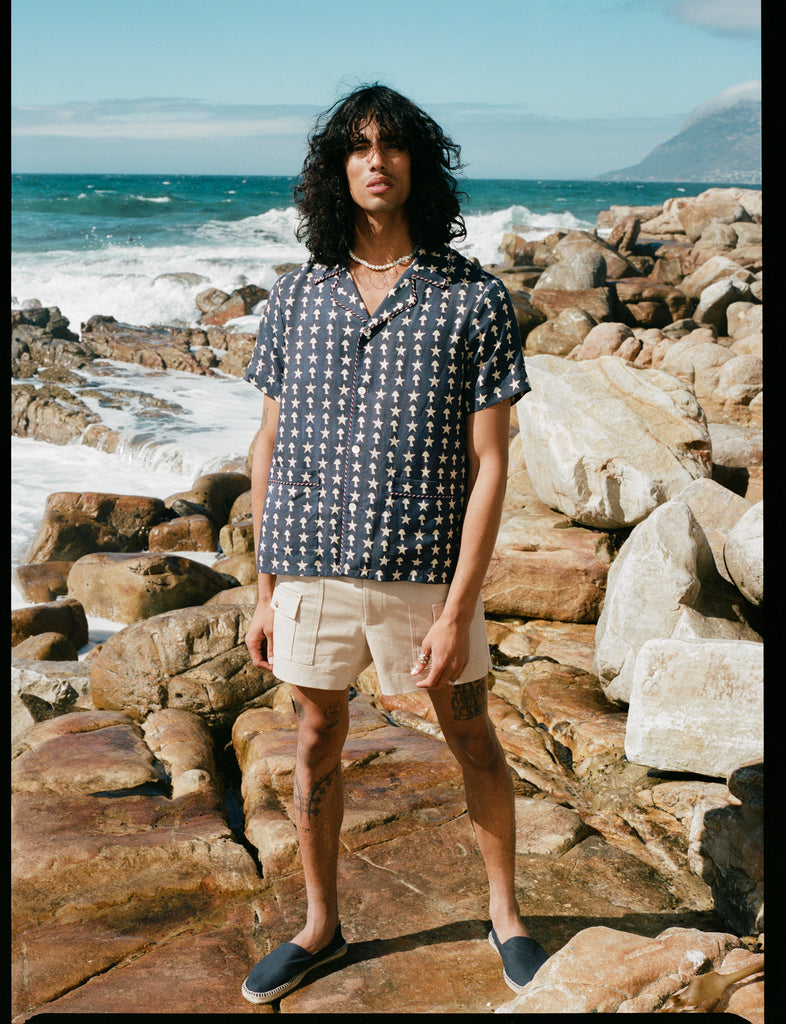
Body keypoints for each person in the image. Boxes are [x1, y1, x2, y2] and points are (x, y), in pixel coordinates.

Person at [240, 83, 548, 1004]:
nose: (378, 160)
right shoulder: (297, 296)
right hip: (310, 567)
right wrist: (263, 586)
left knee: (471, 733)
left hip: (423, 573)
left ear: (418, 164)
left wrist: (458, 611)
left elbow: (491, 466)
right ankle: (319, 926)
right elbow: (268, 441)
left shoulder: (472, 298)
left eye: (395, 145)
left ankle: (506, 915)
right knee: (316, 737)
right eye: (359, 146)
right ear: (338, 168)